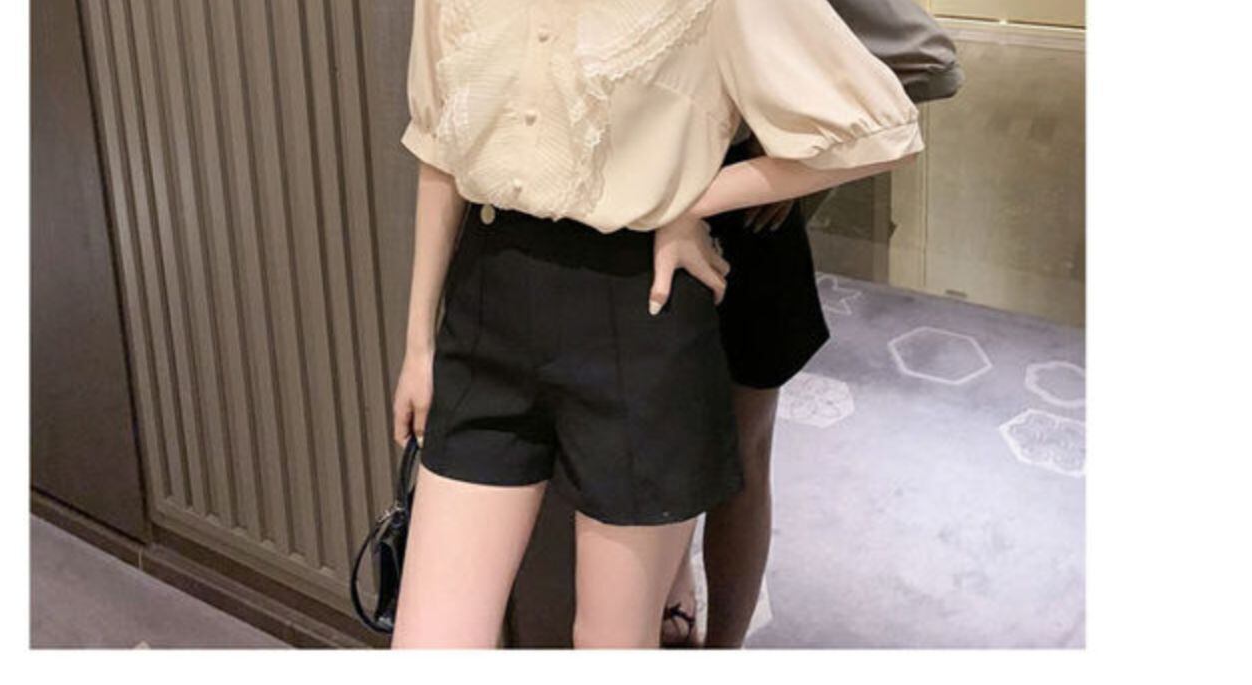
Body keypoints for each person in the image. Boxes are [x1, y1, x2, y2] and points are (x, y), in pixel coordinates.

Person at [389, 0, 923, 648]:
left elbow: (877, 130)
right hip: (485, 303)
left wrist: (692, 202)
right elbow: (438, 143)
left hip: (636, 309)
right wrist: (418, 344)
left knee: (612, 643)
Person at [659, 0, 965, 648]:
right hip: (631, 219)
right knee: (656, 450)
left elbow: (925, 56)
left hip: (738, 216)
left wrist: (792, 155)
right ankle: (675, 593)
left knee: (741, 455)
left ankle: (723, 648)